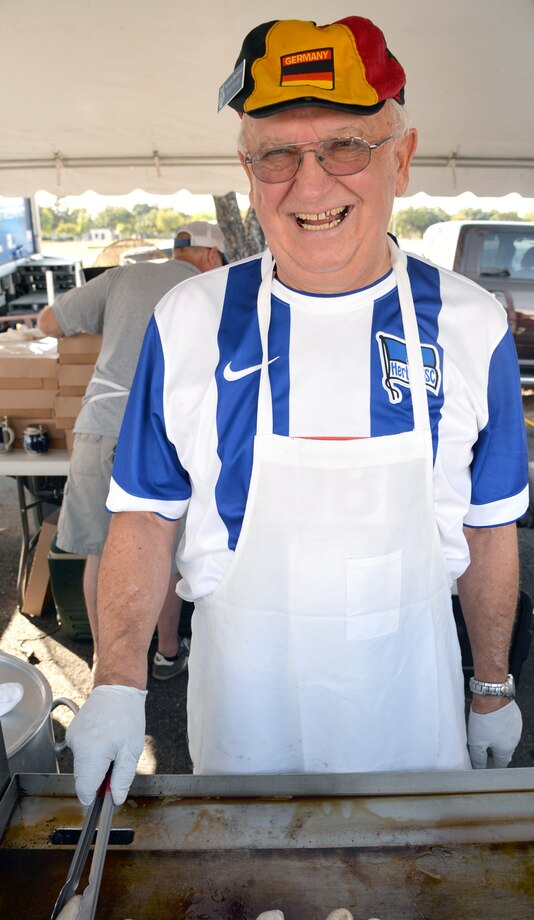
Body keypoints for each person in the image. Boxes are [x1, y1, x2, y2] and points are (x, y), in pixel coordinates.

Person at [65, 15, 529, 806]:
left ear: (403, 160)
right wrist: (116, 681)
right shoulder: (189, 321)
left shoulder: (470, 323)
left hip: (409, 714)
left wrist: (490, 687)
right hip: (244, 717)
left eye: (346, 146)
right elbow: (144, 516)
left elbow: (491, 527)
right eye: (278, 153)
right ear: (248, 171)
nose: (310, 185)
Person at [37, 219, 228, 678]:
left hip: (101, 420)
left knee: (101, 552)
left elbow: (48, 322)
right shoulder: (213, 287)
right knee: (160, 548)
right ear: (207, 256)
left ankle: (108, 664)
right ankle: (165, 652)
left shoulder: (123, 275)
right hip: (169, 432)